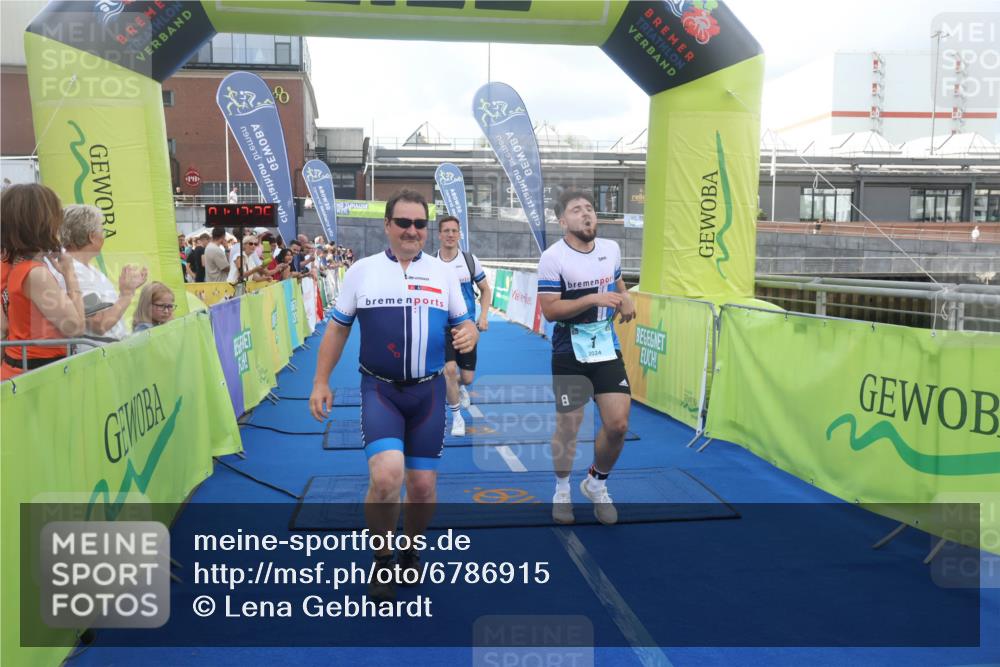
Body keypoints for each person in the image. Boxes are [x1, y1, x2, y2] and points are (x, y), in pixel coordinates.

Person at [309, 189, 478, 602]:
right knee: (386, 480)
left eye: (419, 224)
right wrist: (320, 381)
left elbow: (464, 322)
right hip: (380, 390)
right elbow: (338, 328)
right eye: (403, 223)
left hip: (429, 393)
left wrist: (471, 332)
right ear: (387, 225)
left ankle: (410, 550)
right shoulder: (362, 271)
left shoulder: (443, 272)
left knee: (421, 488)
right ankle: (383, 559)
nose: (412, 231)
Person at [537, 190, 635, 526]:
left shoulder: (611, 249)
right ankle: (562, 489)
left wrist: (625, 297)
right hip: (569, 347)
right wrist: (593, 298)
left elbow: (618, 283)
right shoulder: (553, 258)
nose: (586, 214)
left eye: (590, 209)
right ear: (563, 221)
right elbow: (550, 310)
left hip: (604, 345)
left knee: (619, 424)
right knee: (570, 426)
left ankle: (596, 482)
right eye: (577, 210)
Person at [1, 184, 86, 380]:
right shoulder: (35, 273)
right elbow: (75, 327)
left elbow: (4, 327)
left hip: (16, 372)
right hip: (38, 376)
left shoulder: (9, 264)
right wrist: (70, 274)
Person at [435, 215, 492, 436]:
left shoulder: (469, 260)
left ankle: (458, 387)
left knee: (466, 378)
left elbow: (486, 289)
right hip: (443, 327)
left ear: (459, 234)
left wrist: (484, 316)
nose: (450, 235)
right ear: (439, 234)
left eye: (454, 231)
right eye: (446, 231)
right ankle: (457, 417)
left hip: (467, 327)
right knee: (449, 370)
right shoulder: (431, 263)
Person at [60, 204, 147, 343]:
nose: (103, 236)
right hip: (96, 356)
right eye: (102, 231)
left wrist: (125, 292)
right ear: (92, 236)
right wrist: (126, 294)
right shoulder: (76, 271)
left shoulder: (84, 269)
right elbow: (99, 324)